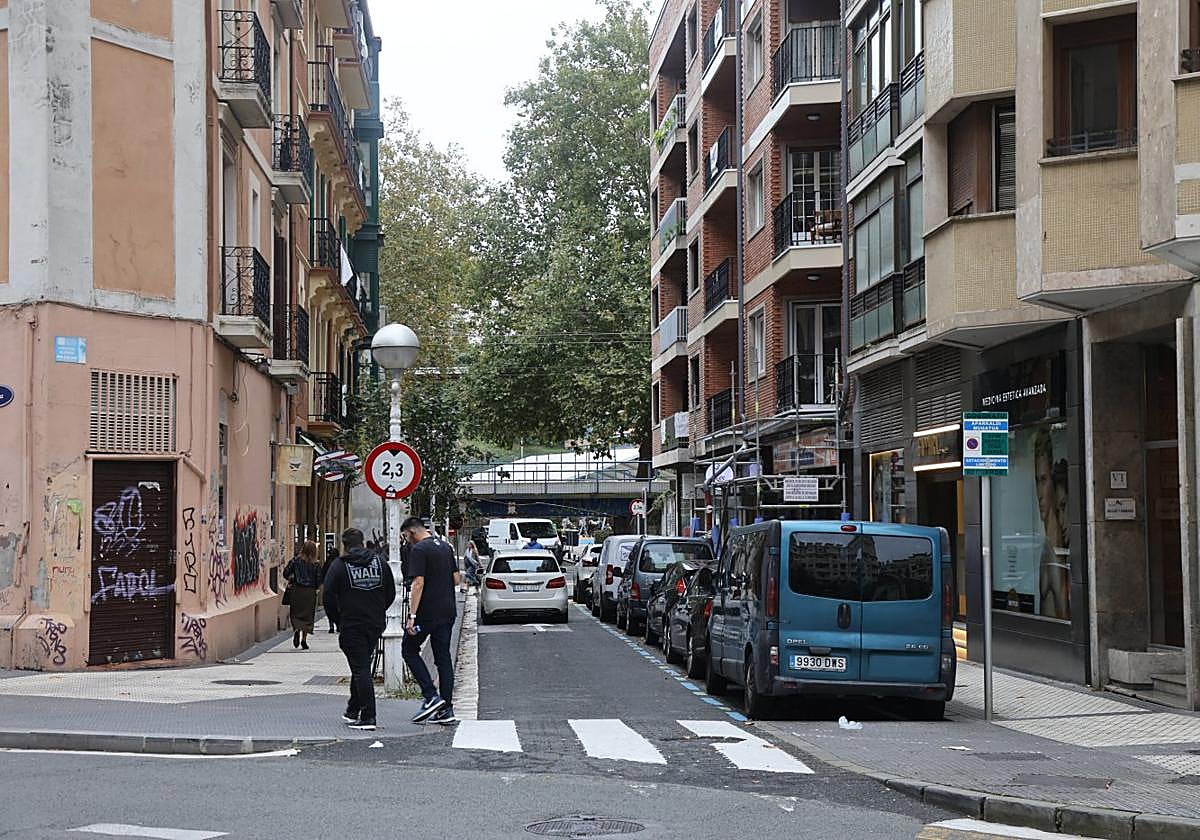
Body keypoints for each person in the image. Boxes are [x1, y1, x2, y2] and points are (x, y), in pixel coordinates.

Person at [322, 527, 395, 731]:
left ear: (344, 545)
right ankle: (352, 710)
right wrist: (378, 610)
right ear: (362, 542)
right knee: (361, 664)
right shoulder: (380, 563)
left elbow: (327, 596)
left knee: (361, 668)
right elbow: (390, 592)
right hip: (375, 623)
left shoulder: (339, 566)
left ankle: (368, 716)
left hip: (351, 623)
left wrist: (337, 620)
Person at [400, 516, 460, 725]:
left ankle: (430, 695)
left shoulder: (419, 550)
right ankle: (447, 709)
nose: (407, 541)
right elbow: (456, 579)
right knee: (443, 657)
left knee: (408, 649)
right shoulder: (445, 547)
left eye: (407, 537)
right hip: (448, 610)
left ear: (412, 532)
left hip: (427, 613)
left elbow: (418, 583)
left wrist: (412, 615)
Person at [283, 540, 323, 650]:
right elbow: (319, 580)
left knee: (295, 613)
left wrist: (291, 578)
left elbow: (285, 573)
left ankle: (296, 630)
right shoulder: (316, 564)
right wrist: (316, 589)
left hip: (297, 590)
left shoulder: (296, 561)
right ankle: (304, 640)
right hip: (309, 593)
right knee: (308, 616)